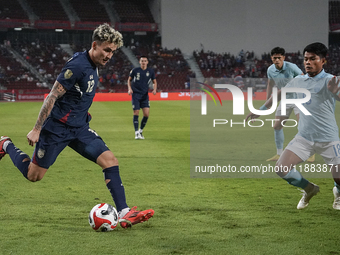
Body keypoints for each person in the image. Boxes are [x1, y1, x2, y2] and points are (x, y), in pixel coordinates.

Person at [0, 23, 154, 228]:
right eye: (106, 50)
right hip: (56, 128)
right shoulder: (78, 66)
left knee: (110, 160)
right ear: (95, 45)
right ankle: (5, 144)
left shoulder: (94, 66)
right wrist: (37, 129)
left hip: (79, 128)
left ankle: (124, 212)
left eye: (113, 52)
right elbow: (53, 95)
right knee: (33, 175)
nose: (109, 55)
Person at [247, 42, 340, 210]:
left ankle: (338, 192)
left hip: (328, 139)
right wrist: (260, 110)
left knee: (339, 178)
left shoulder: (331, 80)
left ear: (323, 61)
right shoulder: (299, 80)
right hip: (304, 138)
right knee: (281, 169)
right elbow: (279, 94)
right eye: (306, 59)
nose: (308, 62)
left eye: (313, 59)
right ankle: (309, 189)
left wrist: (335, 93)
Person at [264, 47, 315, 162]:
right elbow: (270, 84)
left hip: (298, 99)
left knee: (304, 126)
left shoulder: (292, 67)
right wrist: (267, 100)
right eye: (274, 58)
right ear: (271, 58)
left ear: (283, 58)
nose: (277, 60)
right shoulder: (270, 70)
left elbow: (303, 78)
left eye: (279, 58)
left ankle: (311, 153)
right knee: (277, 126)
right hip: (284, 99)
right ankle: (279, 154)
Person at [127, 56, 157, 139]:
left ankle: (140, 130)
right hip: (136, 94)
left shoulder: (150, 71)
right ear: (140, 62)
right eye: (142, 61)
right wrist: (129, 89)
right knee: (136, 112)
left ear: (147, 62)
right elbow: (129, 79)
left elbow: (154, 81)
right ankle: (136, 132)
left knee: (146, 114)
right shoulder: (135, 70)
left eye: (145, 61)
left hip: (145, 95)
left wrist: (154, 89)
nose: (143, 62)